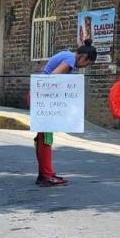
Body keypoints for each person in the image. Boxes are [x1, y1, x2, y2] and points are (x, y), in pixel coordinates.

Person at [34, 40, 97, 186]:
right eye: (87, 63)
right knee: (46, 137)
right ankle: (46, 175)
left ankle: (44, 173)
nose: (85, 67)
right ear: (83, 57)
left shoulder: (67, 55)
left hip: (40, 95)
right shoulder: (69, 59)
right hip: (44, 98)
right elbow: (53, 78)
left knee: (42, 136)